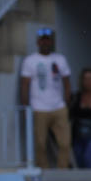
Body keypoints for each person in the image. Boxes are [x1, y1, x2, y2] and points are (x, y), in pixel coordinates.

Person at [19, 27, 72, 170]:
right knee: (40, 143)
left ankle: (62, 170)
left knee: (65, 142)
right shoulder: (30, 60)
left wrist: (67, 102)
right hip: (39, 107)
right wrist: (26, 106)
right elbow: (25, 84)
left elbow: (67, 82)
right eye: (42, 40)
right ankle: (44, 170)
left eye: (47, 40)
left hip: (58, 106)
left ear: (51, 41)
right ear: (38, 42)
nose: (45, 43)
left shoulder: (60, 59)